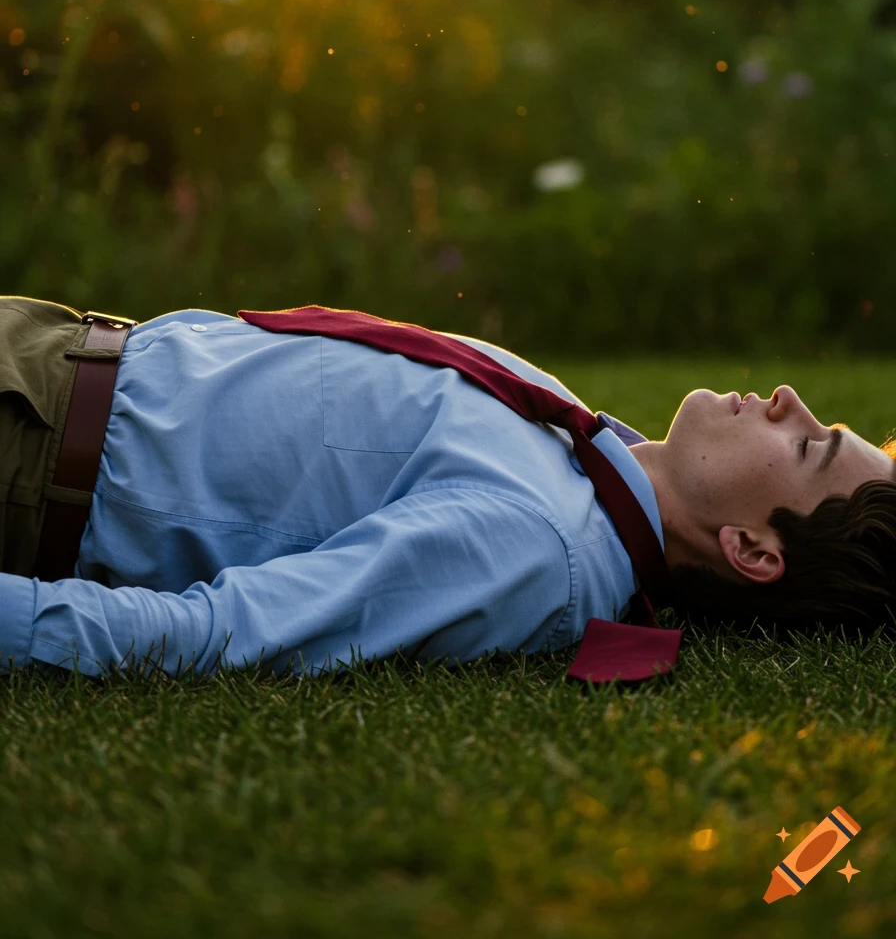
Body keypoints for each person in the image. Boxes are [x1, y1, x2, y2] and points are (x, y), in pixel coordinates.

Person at [0, 295, 894, 682]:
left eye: (811, 445)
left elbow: (219, 635)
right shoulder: (580, 446)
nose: (790, 399)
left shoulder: (539, 547)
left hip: (29, 447)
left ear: (751, 550)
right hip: (46, 341)